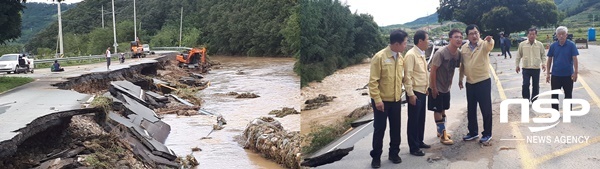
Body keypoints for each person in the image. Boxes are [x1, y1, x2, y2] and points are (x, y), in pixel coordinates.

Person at [368, 29, 408, 168]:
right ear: (396, 44)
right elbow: (373, 82)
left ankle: (394, 153)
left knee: (396, 128)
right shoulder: (379, 57)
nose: (405, 45)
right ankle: (376, 157)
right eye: (404, 43)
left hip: (396, 100)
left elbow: (402, 78)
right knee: (380, 129)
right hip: (382, 101)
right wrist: (377, 100)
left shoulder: (400, 57)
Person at [459, 24, 494, 144]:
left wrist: (490, 40)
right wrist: (460, 79)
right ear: (467, 36)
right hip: (470, 82)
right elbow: (462, 65)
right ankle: (473, 132)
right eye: (471, 34)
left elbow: (490, 45)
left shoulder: (483, 45)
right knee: (471, 109)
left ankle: (487, 133)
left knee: (486, 109)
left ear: (479, 34)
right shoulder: (464, 48)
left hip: (483, 81)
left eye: (476, 33)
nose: (474, 35)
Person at [428, 29, 463, 146]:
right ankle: (443, 136)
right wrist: (433, 88)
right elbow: (433, 71)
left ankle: (441, 131)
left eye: (460, 37)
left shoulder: (458, 54)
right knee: (437, 110)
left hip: (446, 87)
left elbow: (454, 69)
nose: (459, 39)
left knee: (443, 109)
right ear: (450, 39)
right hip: (436, 86)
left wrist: (455, 82)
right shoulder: (441, 53)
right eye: (456, 37)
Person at [404, 30, 430, 157]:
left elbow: (424, 73)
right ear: (420, 41)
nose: (429, 42)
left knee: (421, 119)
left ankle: (419, 141)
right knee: (413, 121)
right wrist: (410, 94)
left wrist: (427, 88)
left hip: (422, 91)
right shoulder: (411, 55)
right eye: (427, 40)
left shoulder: (421, 53)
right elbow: (407, 76)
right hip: (415, 92)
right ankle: (413, 147)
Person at [546, 26, 579, 110]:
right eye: (559, 34)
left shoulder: (571, 45)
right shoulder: (553, 46)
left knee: (568, 94)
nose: (561, 36)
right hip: (556, 74)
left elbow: (575, 59)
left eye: (563, 34)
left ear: (566, 35)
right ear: (556, 35)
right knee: (554, 95)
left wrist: (575, 73)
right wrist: (547, 74)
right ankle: (554, 111)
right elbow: (549, 59)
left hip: (568, 74)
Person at [516, 27, 546, 103]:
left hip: (536, 68)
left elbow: (543, 55)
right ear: (527, 35)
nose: (531, 36)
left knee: (535, 85)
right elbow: (518, 55)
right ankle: (526, 99)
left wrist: (543, 64)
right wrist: (517, 65)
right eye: (530, 34)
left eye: (533, 34)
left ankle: (534, 99)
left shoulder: (539, 44)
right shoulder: (522, 44)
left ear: (536, 35)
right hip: (526, 68)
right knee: (525, 84)